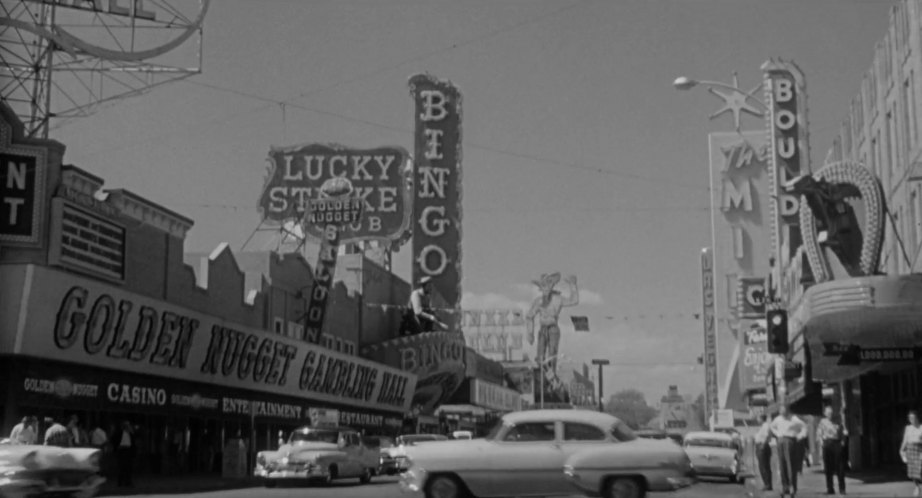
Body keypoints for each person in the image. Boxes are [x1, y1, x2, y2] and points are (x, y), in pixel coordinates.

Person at [525, 272, 579, 375]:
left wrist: (573, 285)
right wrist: (530, 333)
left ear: (551, 287)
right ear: (541, 288)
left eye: (548, 286)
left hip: (553, 329)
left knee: (552, 353)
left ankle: (551, 373)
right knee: (540, 354)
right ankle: (541, 374)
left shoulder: (557, 299)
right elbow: (529, 316)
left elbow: (574, 300)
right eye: (543, 286)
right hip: (543, 329)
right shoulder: (538, 301)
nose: (545, 289)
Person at [771, 404, 808, 498]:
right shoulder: (778, 419)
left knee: (790, 465)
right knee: (782, 465)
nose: (781, 412)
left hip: (790, 440)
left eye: (783, 410)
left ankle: (792, 487)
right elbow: (772, 427)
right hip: (780, 440)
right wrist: (777, 434)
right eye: (780, 410)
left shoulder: (794, 418)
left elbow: (804, 427)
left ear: (787, 410)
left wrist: (799, 436)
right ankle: (785, 487)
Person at [817, 405, 847, 495]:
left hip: (836, 443)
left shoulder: (838, 421)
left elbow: (843, 432)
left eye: (831, 412)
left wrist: (842, 441)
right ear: (825, 413)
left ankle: (842, 488)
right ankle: (830, 488)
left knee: (840, 467)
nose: (830, 414)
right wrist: (822, 442)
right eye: (828, 412)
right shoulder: (822, 422)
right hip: (827, 443)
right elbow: (819, 433)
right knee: (828, 468)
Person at [899, 409, 922, 497]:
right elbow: (905, 440)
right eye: (910, 418)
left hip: (919, 449)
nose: (911, 420)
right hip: (910, 450)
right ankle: (917, 486)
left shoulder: (921, 427)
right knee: (912, 472)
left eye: (913, 418)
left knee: (920, 470)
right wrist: (901, 450)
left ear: (917, 418)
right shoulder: (908, 428)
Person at [754, 414, 774, 491]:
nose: (757, 420)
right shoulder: (763, 426)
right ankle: (767, 484)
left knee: (764, 466)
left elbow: (766, 436)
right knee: (762, 466)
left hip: (763, 446)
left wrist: (763, 445)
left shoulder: (766, 426)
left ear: (762, 419)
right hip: (760, 446)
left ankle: (767, 484)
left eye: (758, 418)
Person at [112, 421, 136, 487]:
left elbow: (133, 442)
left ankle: (128, 482)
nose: (128, 427)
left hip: (129, 451)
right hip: (122, 450)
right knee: (121, 467)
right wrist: (117, 446)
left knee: (129, 468)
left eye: (128, 425)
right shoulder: (119, 433)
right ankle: (120, 483)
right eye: (127, 425)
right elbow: (113, 439)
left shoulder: (130, 433)